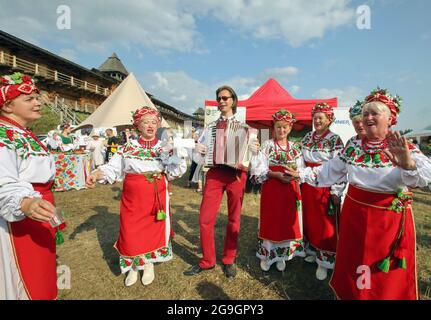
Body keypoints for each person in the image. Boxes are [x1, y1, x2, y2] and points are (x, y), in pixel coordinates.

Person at [285, 88, 431, 299]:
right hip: (354, 216)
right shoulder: (353, 145)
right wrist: (300, 172)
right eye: (365, 113)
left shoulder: (401, 146)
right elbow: (330, 170)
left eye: (375, 113)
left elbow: (426, 175)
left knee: (381, 272)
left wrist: (409, 164)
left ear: (391, 118)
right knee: (354, 261)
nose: (368, 117)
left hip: (386, 222)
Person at [86, 106, 186, 287]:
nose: (150, 125)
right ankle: (133, 265)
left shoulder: (165, 148)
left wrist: (177, 155)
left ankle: (148, 264)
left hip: (157, 197)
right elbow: (113, 168)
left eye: (154, 122)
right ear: (138, 125)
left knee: (152, 230)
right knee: (130, 231)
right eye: (145, 122)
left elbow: (174, 172)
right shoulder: (128, 147)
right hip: (133, 198)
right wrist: (97, 174)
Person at [0, 72, 58, 299]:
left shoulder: (23, 133)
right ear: (6, 106)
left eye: (37, 97)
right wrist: (24, 202)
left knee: (41, 275)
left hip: (37, 213)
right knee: (23, 279)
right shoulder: (3, 135)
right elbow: (3, 180)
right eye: (29, 99)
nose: (38, 102)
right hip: (17, 219)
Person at [184, 85, 248, 278]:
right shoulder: (210, 127)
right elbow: (199, 149)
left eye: (225, 98)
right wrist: (199, 150)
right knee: (205, 218)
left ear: (233, 101)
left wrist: (253, 147)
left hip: (236, 175)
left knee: (234, 218)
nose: (221, 101)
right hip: (214, 173)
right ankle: (208, 261)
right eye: (219, 98)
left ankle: (229, 259)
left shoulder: (245, 127)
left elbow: (251, 153)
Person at [249, 109, 305, 272]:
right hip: (272, 189)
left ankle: (281, 256)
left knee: (286, 221)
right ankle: (268, 255)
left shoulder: (295, 148)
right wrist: (275, 174)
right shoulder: (267, 145)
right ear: (274, 127)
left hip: (289, 189)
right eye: (279, 127)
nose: (282, 130)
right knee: (271, 221)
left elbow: (301, 169)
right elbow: (259, 169)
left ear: (290, 128)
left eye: (285, 127)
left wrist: (294, 175)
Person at [300, 102, 345, 280]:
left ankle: (325, 261)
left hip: (325, 185)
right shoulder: (307, 137)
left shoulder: (335, 140)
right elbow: (300, 161)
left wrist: (336, 190)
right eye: (315, 117)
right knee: (310, 221)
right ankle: (312, 251)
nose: (317, 121)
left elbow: (339, 168)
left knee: (326, 224)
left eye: (321, 118)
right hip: (308, 186)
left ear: (329, 120)